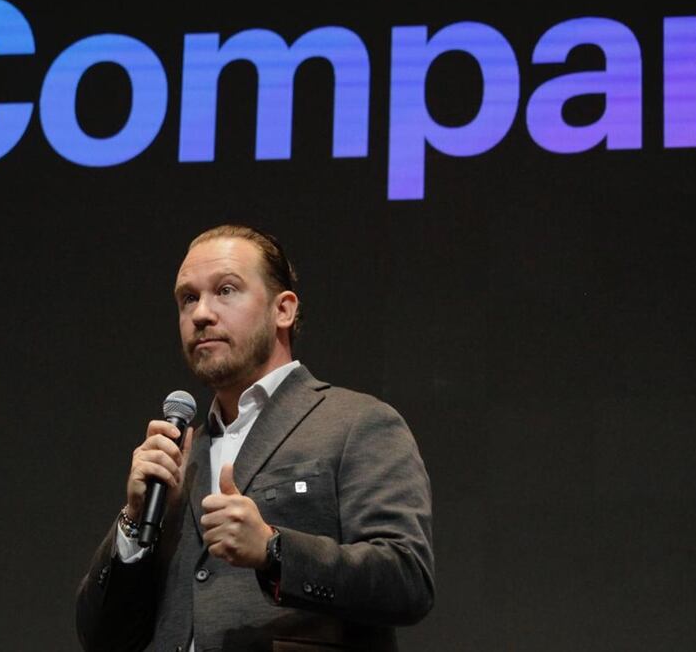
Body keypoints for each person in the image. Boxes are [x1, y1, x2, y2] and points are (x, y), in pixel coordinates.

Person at [76, 225, 434, 652]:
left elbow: (406, 579)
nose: (202, 314)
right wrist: (134, 521)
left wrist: (273, 550)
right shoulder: (177, 458)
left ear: (282, 310)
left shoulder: (357, 422)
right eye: (188, 299)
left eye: (226, 290)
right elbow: (100, 636)